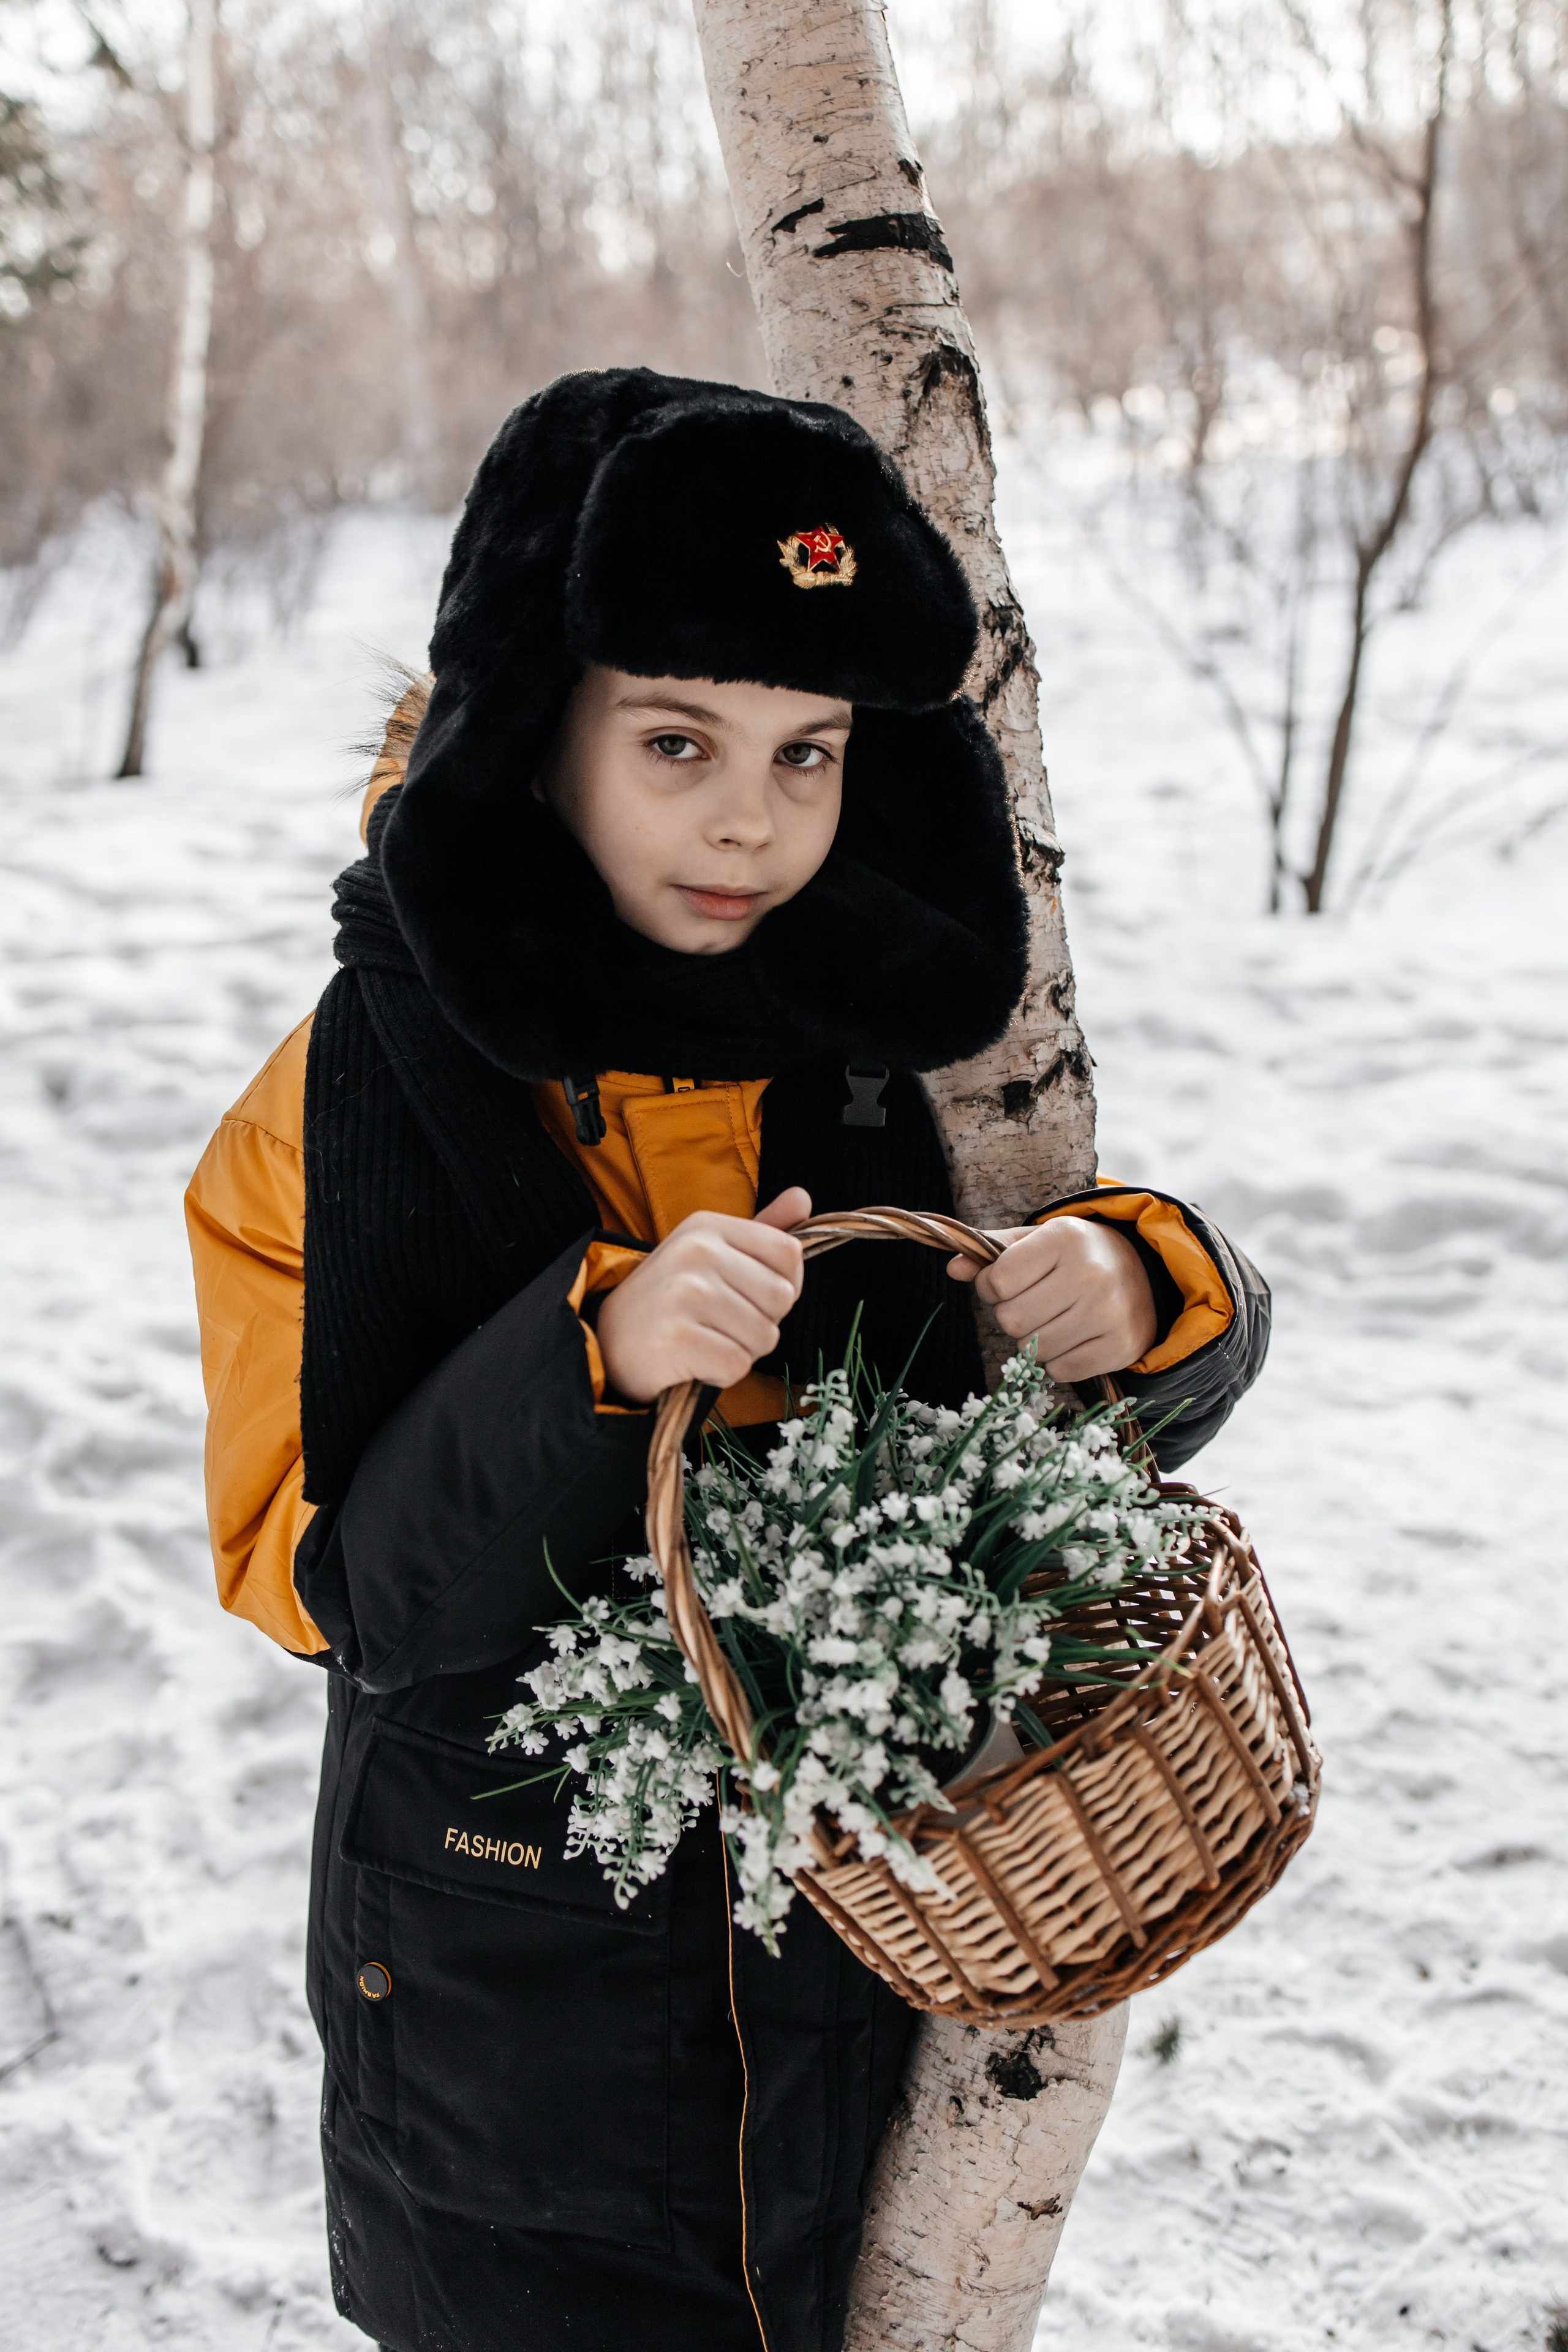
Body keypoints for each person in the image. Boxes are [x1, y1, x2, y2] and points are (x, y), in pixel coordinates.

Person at [186, 369, 1269, 2352]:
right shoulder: (341, 1107)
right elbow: (318, 1580)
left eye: (811, 751)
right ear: (534, 739)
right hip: (520, 2039)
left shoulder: (881, 1062)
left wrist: (1150, 1287)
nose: (750, 822)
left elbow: (1018, 1446)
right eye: (675, 740)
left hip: (864, 1976)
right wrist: (584, 1355)